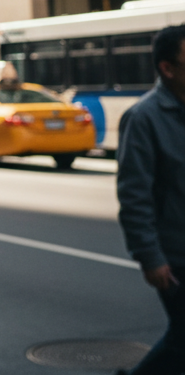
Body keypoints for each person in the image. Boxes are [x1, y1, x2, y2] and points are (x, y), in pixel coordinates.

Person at [116, 24, 185, 375]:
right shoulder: (143, 118)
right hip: (175, 257)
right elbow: (134, 196)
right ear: (167, 68)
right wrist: (150, 257)